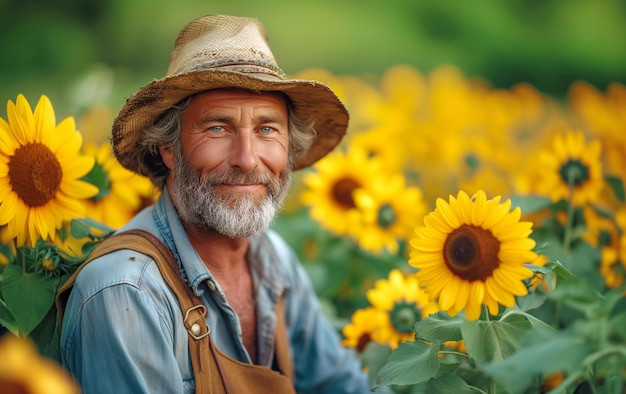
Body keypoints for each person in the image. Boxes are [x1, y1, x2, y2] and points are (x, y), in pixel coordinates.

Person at [60, 14, 372, 394]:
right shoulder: (126, 292)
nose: (247, 159)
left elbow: (341, 385)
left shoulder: (273, 260)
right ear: (168, 149)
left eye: (267, 129)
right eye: (217, 128)